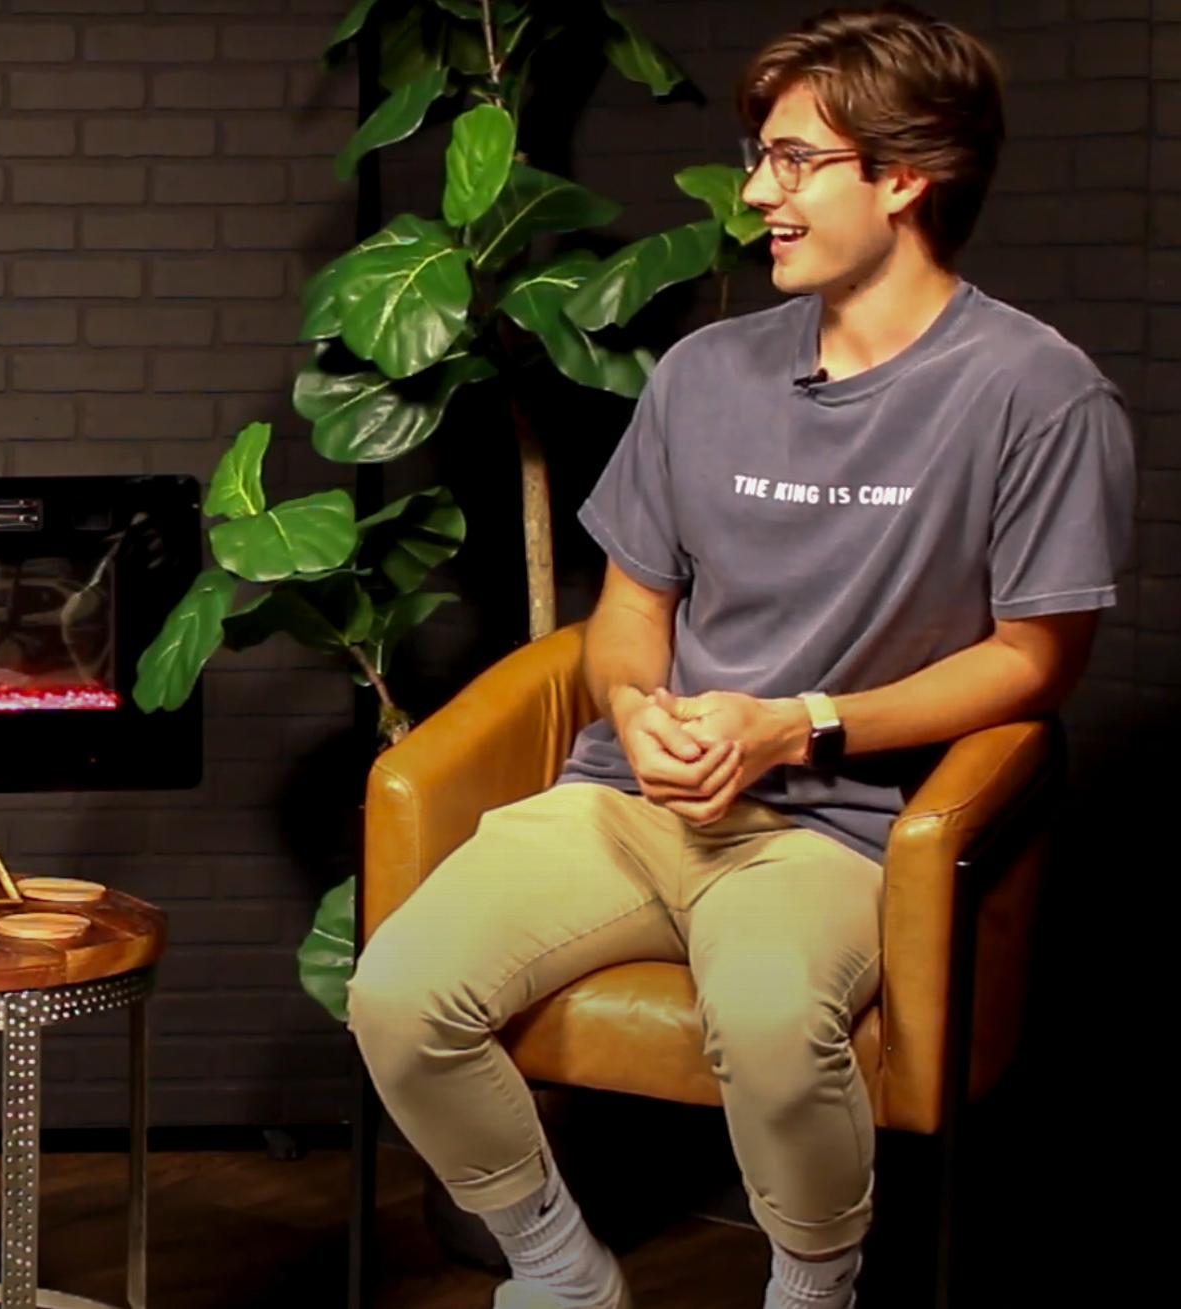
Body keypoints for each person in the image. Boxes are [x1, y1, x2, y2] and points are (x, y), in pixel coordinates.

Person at [345, 7, 1132, 1309]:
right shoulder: (704, 373)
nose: (755, 191)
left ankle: (812, 1282)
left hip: (835, 826)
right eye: (756, 156)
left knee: (770, 1028)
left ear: (899, 175)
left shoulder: (1037, 396)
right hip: (627, 798)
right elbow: (626, 609)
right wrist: (633, 708)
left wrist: (793, 726)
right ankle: (555, 1267)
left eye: (789, 159)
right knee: (395, 992)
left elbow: (1032, 665)